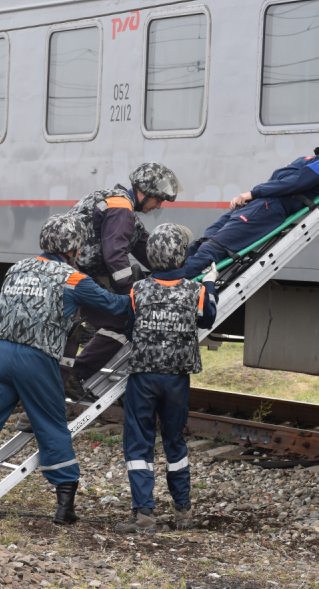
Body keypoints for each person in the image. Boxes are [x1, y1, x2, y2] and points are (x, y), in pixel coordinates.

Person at [0, 214, 132, 525]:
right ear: (75, 248)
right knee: (50, 423)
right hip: (36, 358)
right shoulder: (73, 279)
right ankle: (64, 505)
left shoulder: (16, 268)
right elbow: (115, 306)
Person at [115, 224, 219, 534]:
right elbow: (208, 318)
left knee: (139, 443)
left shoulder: (138, 289)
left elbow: (129, 326)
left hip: (143, 378)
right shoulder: (195, 290)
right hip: (177, 380)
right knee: (175, 442)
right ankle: (183, 512)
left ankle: (144, 513)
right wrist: (210, 284)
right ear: (181, 256)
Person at [174, 114, 319, 280]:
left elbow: (296, 182)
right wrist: (250, 198)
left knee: (213, 247)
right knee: (204, 241)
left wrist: (253, 193)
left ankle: (168, 283)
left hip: (268, 208)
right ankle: (164, 275)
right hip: (258, 205)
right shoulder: (315, 159)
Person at [62, 162, 183, 399]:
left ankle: (67, 377)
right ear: (143, 192)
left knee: (88, 326)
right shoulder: (121, 208)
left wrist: (180, 273)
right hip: (73, 279)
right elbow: (115, 255)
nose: (158, 206)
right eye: (158, 199)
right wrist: (132, 296)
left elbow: (149, 252)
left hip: (72, 276)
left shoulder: (120, 205)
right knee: (119, 321)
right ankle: (70, 377)